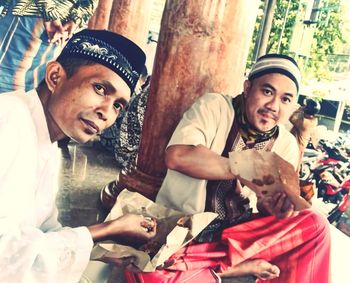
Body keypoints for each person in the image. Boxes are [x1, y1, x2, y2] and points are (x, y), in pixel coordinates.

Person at [127, 54, 331, 282]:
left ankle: (215, 266)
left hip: (237, 235)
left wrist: (274, 209)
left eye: (285, 100)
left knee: (316, 226)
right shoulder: (214, 106)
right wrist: (243, 166)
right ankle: (233, 268)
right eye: (267, 91)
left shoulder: (286, 143)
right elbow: (178, 156)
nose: (273, 106)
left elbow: (265, 208)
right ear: (247, 88)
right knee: (147, 269)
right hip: (186, 231)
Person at [0, 29, 157, 282]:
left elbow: (42, 227)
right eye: (99, 88)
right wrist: (106, 228)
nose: (106, 112)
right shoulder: (8, 123)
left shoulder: (45, 138)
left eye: (118, 105)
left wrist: (102, 252)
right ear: (55, 77)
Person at [0, 0, 98, 93]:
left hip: (34, 13)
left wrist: (50, 12)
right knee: (25, 85)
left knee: (9, 79)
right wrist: (78, 17)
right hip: (65, 23)